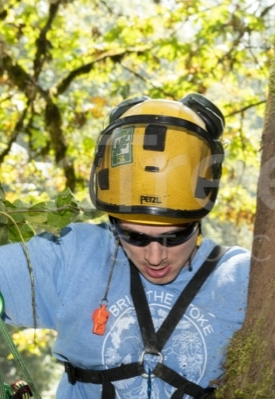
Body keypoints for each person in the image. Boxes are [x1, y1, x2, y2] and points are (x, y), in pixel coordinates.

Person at [0, 94, 250, 399]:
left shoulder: (241, 279)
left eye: (174, 237)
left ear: (197, 223)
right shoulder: (74, 257)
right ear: (113, 223)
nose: (155, 257)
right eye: (135, 237)